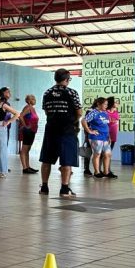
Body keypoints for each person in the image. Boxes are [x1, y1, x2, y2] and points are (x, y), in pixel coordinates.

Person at [39, 69, 83, 198]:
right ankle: (64, 189)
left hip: (51, 129)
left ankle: (44, 187)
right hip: (67, 130)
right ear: (67, 79)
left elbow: (46, 111)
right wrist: (73, 121)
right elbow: (79, 112)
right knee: (66, 160)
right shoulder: (71, 92)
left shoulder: (47, 93)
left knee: (46, 159)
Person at [83, 97, 116, 178]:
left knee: (108, 154)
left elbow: (105, 125)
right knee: (97, 154)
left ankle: (106, 172)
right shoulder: (93, 112)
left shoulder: (105, 113)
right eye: (104, 104)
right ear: (98, 104)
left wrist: (108, 136)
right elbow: (83, 120)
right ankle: (97, 172)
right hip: (96, 137)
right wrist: (89, 131)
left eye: (107, 104)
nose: (106, 106)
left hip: (105, 137)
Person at [18, 94, 39, 174]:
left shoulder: (32, 108)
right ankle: (25, 168)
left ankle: (28, 166)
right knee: (24, 150)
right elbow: (20, 116)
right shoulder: (28, 107)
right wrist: (25, 125)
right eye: (33, 98)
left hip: (32, 131)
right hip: (27, 131)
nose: (35, 100)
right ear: (29, 100)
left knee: (27, 150)